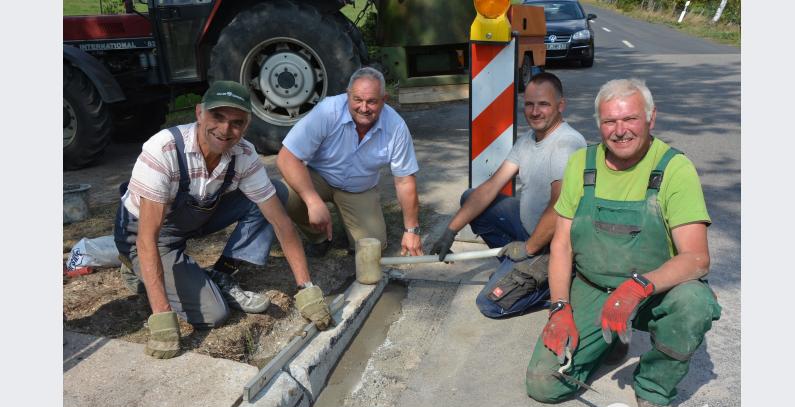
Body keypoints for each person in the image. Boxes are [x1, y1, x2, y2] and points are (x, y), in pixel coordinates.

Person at [525, 79, 721, 407]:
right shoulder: (581, 164)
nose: (620, 131)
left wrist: (638, 287)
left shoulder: (674, 169)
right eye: (609, 122)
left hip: (653, 289)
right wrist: (559, 308)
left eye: (630, 119)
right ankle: (608, 339)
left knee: (695, 301)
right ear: (598, 124)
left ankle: (654, 389)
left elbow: (697, 259)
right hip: (593, 286)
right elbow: (562, 246)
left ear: (650, 118)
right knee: (544, 384)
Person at [113, 80, 332, 360]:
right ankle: (133, 267)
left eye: (236, 122)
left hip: (197, 217)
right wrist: (161, 317)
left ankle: (222, 272)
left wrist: (306, 288)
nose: (226, 130)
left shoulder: (244, 154)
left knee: (272, 195)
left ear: (247, 125)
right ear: (199, 113)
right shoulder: (164, 150)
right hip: (152, 235)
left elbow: (281, 223)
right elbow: (148, 238)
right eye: (218, 117)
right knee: (214, 314)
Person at [430, 72, 586, 318]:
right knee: (471, 197)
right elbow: (492, 186)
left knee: (491, 305)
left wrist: (528, 249)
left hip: (553, 245)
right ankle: (517, 271)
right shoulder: (527, 140)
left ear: (560, 106)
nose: (535, 111)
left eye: (543, 104)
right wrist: (450, 230)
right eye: (530, 104)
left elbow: (560, 206)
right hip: (529, 228)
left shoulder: (567, 144)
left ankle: (556, 286)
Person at [277, 67, 423, 257]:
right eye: (358, 100)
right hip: (318, 178)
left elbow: (405, 180)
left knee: (372, 249)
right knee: (280, 194)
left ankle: (352, 230)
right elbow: (286, 157)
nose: (364, 108)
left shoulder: (396, 127)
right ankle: (319, 237)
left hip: (359, 188)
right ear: (348, 95)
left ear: (384, 100)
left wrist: (411, 231)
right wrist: (312, 201)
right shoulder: (327, 111)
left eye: (371, 101)